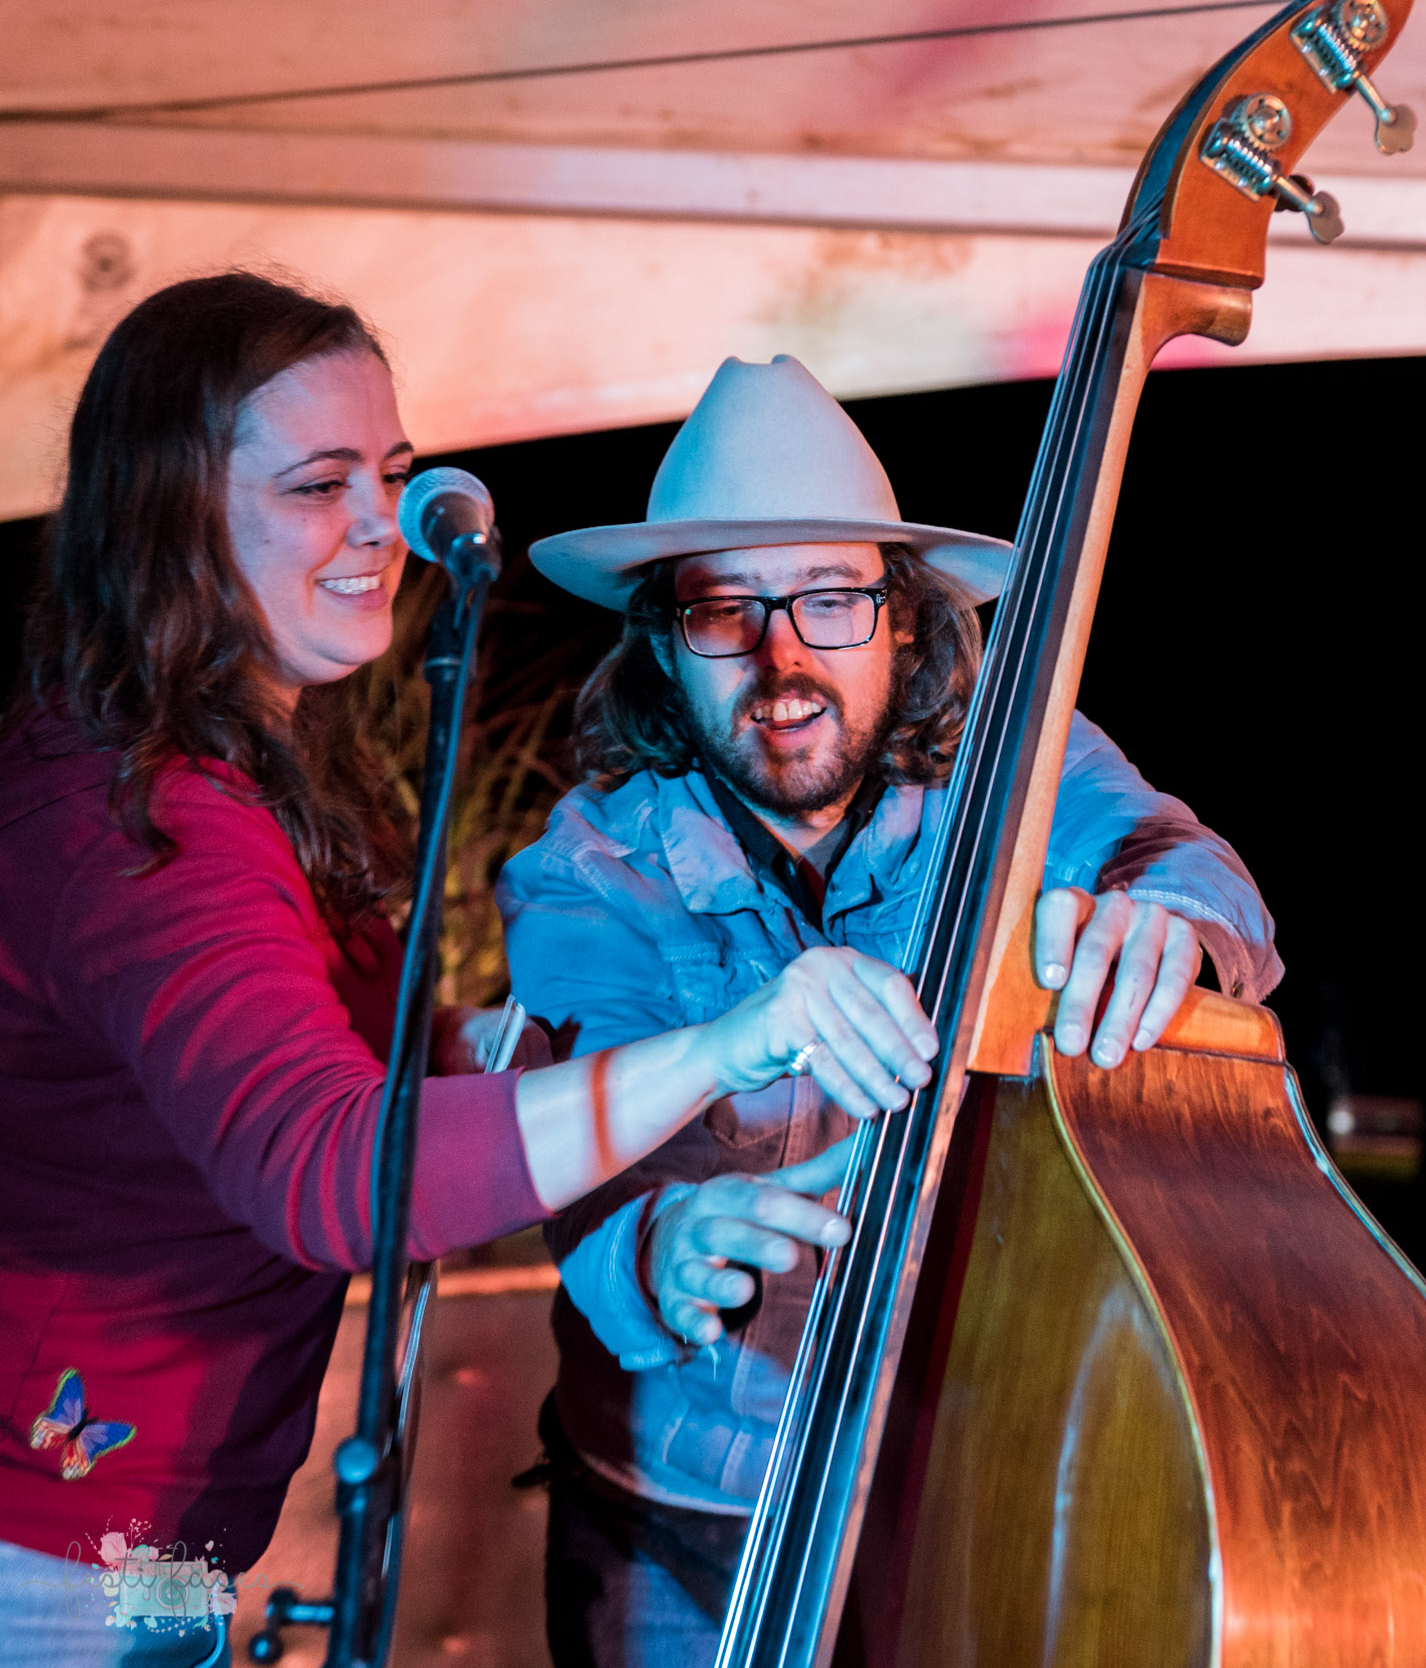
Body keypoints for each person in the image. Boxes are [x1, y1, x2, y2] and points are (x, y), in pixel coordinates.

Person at [0, 289, 938, 1668]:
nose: (383, 527)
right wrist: (727, 1047)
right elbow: (330, 1173)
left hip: (153, 1523)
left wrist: (460, 1047)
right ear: (170, 516)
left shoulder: (228, 773)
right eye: (319, 486)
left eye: (391, 476)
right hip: (55, 1544)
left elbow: (216, 1066)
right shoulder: (141, 820)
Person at [499, 353, 1281, 1668]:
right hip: (677, 1525)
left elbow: (1191, 871)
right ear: (662, 646)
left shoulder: (1015, 769)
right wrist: (661, 1240)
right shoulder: (589, 871)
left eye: (830, 599)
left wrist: (1164, 930)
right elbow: (587, 1137)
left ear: (904, 621)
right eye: (724, 610)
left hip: (962, 1481)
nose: (785, 657)